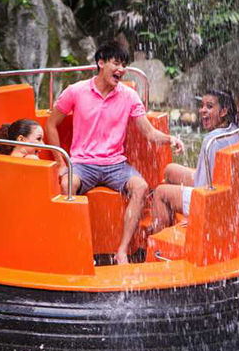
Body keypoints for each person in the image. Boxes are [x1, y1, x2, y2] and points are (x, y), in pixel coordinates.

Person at [45, 41, 184, 265]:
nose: (121, 69)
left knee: (140, 187)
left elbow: (148, 132)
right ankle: (76, 249)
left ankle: (122, 251)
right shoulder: (76, 91)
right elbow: (51, 124)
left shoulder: (129, 96)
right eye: (116, 63)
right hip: (82, 162)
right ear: (101, 63)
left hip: (115, 165)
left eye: (124, 65)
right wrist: (60, 162)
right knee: (67, 184)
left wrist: (171, 139)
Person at [150, 89, 239, 233]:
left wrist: (194, 215)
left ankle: (159, 239)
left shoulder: (212, 141)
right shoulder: (234, 129)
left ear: (224, 111)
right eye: (202, 105)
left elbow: (202, 188)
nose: (202, 110)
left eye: (209, 107)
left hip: (209, 200)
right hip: (221, 189)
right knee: (170, 169)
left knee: (159, 193)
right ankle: (168, 220)